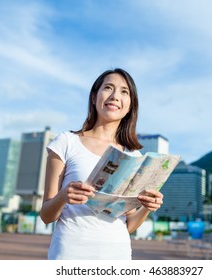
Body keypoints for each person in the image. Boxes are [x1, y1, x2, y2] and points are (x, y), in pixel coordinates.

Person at [40, 68, 164, 260]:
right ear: (93, 97)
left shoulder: (133, 156)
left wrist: (147, 207)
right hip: (70, 253)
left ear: (130, 105)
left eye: (124, 92)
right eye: (108, 88)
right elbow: (46, 216)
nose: (115, 96)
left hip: (117, 255)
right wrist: (64, 196)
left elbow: (129, 224)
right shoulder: (66, 142)